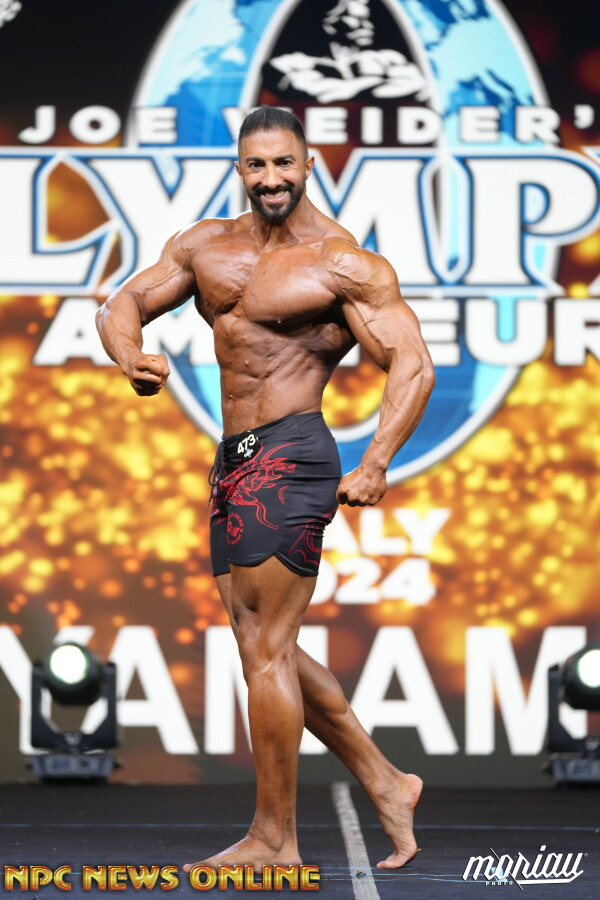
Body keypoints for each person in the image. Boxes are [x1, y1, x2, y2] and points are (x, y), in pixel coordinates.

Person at [96, 106, 435, 871]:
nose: (271, 177)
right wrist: (129, 355)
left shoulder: (344, 264)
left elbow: (413, 364)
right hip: (234, 461)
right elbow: (123, 303)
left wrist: (376, 461)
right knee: (263, 645)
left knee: (267, 649)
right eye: (258, 164)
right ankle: (388, 782)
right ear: (240, 169)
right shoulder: (206, 245)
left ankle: (275, 839)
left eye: (285, 163)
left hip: (292, 455)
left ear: (309, 165)